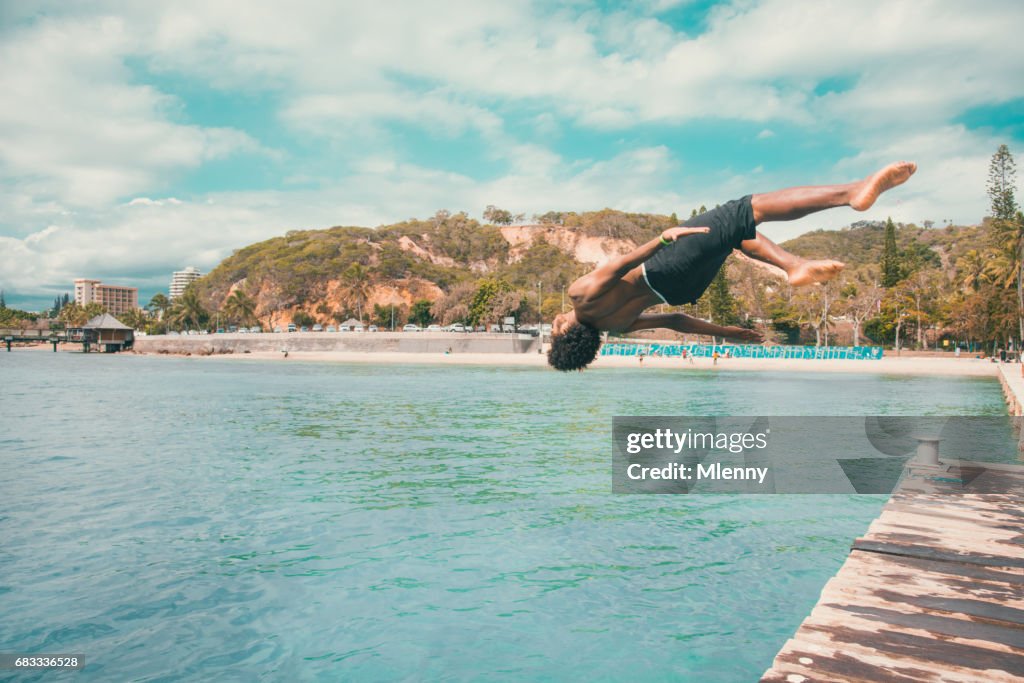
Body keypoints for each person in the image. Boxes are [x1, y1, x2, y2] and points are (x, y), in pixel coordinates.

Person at [548, 161, 917, 371]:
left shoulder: (618, 326)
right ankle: (849, 194)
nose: (552, 326)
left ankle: (793, 265)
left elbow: (675, 321)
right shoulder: (581, 298)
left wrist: (730, 333)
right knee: (746, 209)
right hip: (664, 267)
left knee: (736, 234)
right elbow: (621, 264)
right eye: (554, 334)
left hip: (682, 290)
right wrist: (662, 239)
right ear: (566, 332)